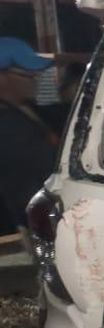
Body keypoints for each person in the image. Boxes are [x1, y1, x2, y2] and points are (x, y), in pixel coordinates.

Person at [0, 37, 58, 238]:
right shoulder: (6, 124)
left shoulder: (27, 108)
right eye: (27, 74)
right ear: (2, 78)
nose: (36, 78)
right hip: (30, 223)